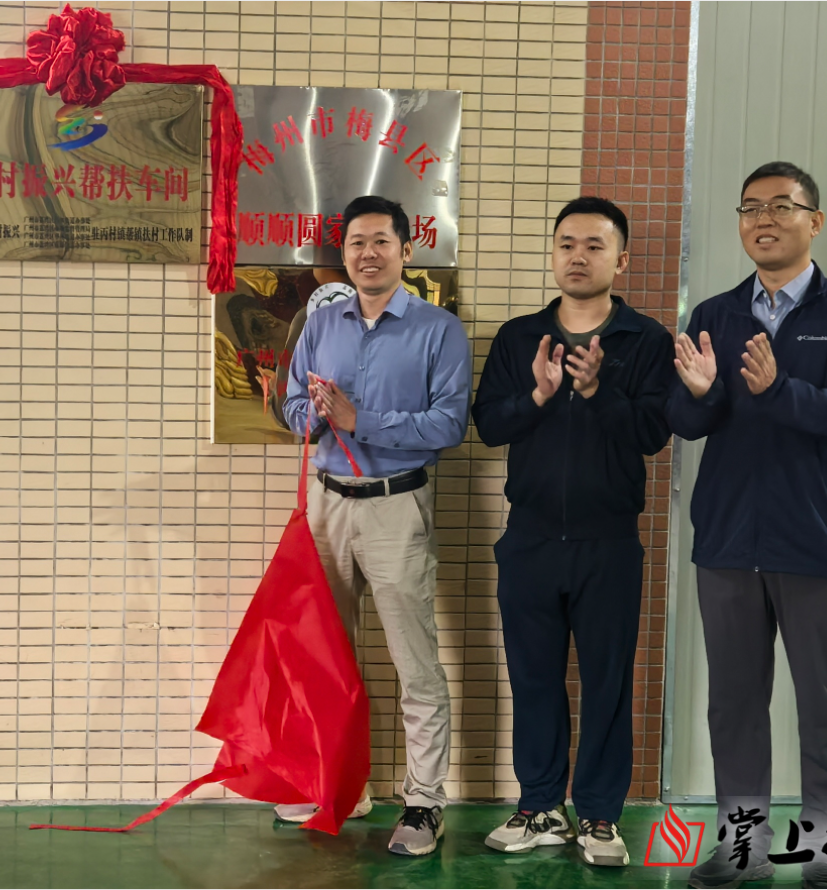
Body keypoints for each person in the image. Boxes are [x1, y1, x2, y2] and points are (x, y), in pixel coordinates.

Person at [668, 162, 827, 890]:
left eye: (780, 206)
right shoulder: (714, 314)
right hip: (730, 544)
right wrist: (699, 395)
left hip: (822, 545)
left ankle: (825, 853)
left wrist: (779, 390)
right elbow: (688, 421)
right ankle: (746, 848)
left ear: (813, 221)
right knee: (734, 709)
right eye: (750, 208)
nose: (763, 219)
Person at [471, 196, 674, 867]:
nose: (578, 257)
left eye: (594, 245)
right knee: (533, 679)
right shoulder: (519, 338)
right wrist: (538, 395)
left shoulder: (645, 341)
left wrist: (596, 391)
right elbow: (489, 425)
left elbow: (653, 433)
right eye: (567, 244)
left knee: (607, 683)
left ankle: (599, 816)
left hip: (608, 542)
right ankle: (539, 806)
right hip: (528, 540)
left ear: (621, 259)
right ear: (553, 254)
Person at [280, 195, 472, 856]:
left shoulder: (438, 330)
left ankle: (424, 803)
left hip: (396, 506)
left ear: (406, 250)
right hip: (327, 504)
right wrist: (313, 415)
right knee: (327, 656)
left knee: (414, 663)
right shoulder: (321, 323)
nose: (368, 254)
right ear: (344, 254)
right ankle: (340, 785)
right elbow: (291, 407)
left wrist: (361, 421)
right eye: (357, 243)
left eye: (381, 241)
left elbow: (447, 425)